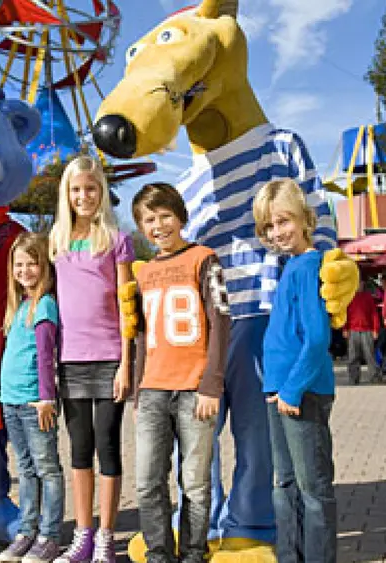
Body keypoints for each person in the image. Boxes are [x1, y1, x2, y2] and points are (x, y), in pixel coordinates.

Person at [130, 183, 230, 563]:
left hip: (194, 389)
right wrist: (139, 392)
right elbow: (141, 334)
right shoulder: (144, 272)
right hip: (153, 389)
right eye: (149, 220)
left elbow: (220, 320)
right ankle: (159, 555)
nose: (159, 225)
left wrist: (212, 383)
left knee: (195, 483)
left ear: (180, 216)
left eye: (165, 216)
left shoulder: (204, 258)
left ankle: (193, 553)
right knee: (147, 482)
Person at [47, 155, 134, 563]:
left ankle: (105, 534)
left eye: (91, 189)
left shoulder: (116, 241)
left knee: (108, 448)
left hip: (110, 359)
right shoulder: (57, 241)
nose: (83, 196)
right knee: (79, 450)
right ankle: (82, 535)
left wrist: (127, 364)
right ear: (67, 193)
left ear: (102, 193)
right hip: (71, 362)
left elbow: (127, 307)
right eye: (76, 190)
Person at [253, 178, 337, 562]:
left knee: (313, 488)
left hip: (301, 393)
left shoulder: (309, 266)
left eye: (284, 221)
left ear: (305, 219)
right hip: (278, 390)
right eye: (269, 226)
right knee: (284, 483)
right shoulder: (290, 268)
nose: (277, 232)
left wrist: (291, 389)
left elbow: (317, 338)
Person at [0, 234, 65, 563]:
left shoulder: (45, 304)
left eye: (31, 263)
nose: (24, 270)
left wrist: (46, 398)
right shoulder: (19, 305)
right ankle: (27, 530)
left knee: (47, 469)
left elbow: (46, 355)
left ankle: (49, 535)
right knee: (25, 470)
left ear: (43, 266)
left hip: (35, 403)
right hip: (11, 400)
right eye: (19, 264)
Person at [344, 278, 380, 385]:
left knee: (370, 355)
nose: (359, 286)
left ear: (363, 284)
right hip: (353, 330)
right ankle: (353, 378)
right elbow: (345, 315)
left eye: (360, 283)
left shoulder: (368, 297)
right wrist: (345, 328)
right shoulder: (349, 297)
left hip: (367, 330)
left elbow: (374, 314)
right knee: (353, 356)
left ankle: (374, 377)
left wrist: (375, 329)